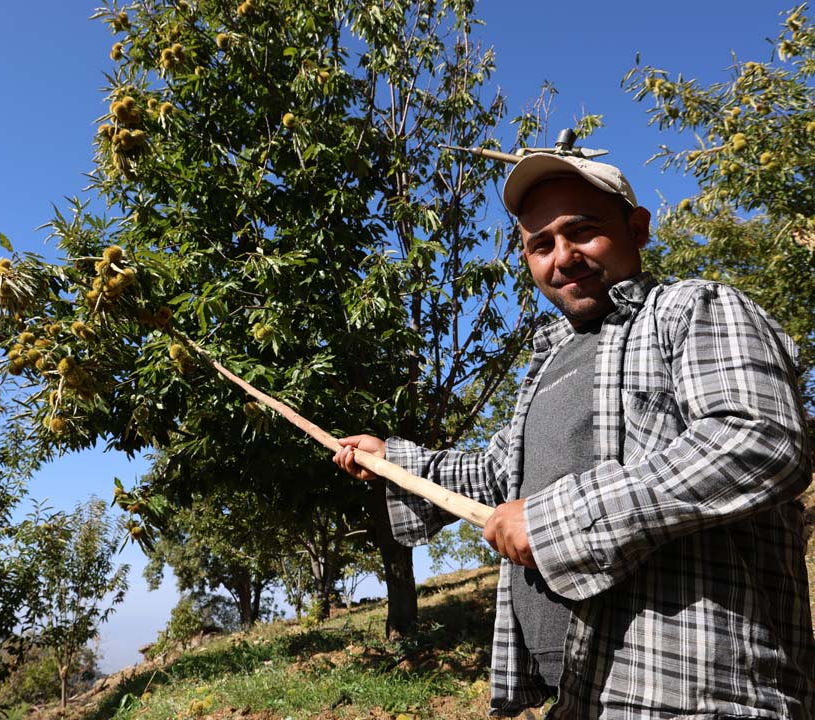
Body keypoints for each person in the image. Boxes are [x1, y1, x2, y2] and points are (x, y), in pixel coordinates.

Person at [333, 153, 815, 719]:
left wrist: (554, 520)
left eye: (582, 231)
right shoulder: (550, 361)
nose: (563, 257)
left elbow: (757, 441)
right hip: (583, 691)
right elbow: (497, 477)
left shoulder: (693, 309)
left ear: (636, 228)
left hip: (696, 691)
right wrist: (395, 459)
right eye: (541, 245)